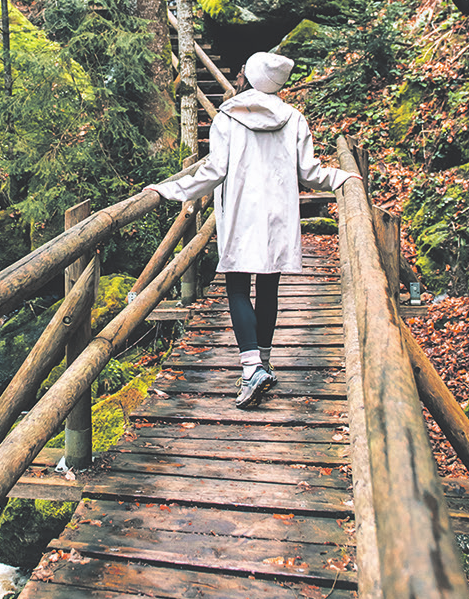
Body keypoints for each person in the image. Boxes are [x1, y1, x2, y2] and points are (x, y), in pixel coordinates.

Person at [149, 50, 360, 408]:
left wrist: (167, 189)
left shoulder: (227, 117)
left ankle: (250, 370)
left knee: (236, 287)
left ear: (247, 77)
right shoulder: (294, 118)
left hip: (241, 214)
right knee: (268, 287)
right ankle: (262, 361)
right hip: (278, 215)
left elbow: (214, 170)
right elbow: (309, 172)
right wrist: (342, 176)